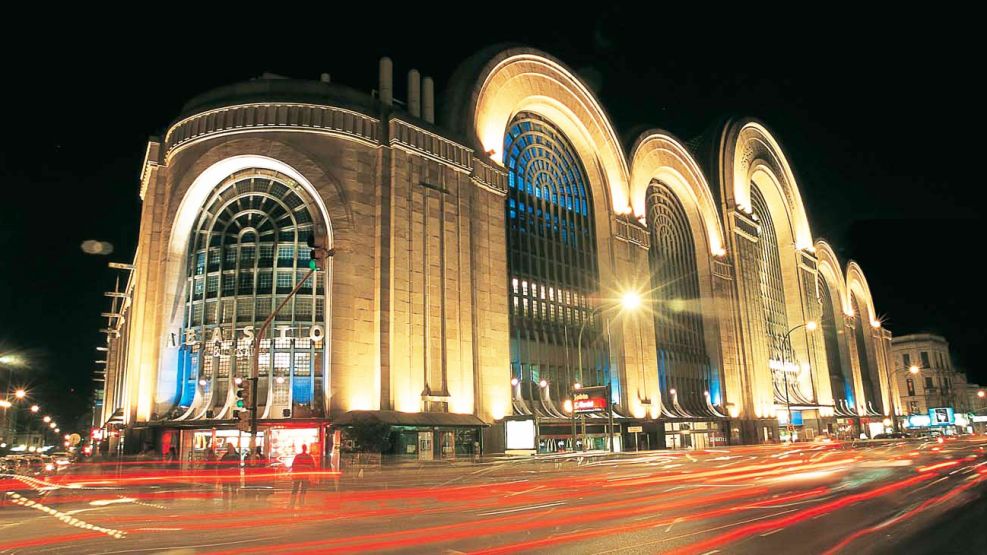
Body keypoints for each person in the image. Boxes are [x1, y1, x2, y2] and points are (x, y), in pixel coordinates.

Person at [289, 444, 316, 509]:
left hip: (297, 475)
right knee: (303, 490)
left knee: (295, 489)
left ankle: (292, 504)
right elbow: (313, 466)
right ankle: (301, 503)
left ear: (302, 448)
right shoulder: (309, 456)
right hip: (305, 475)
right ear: (306, 448)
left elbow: (293, 465)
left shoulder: (298, 456)